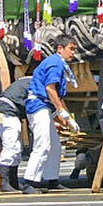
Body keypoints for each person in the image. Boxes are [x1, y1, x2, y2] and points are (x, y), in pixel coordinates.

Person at [23, 34, 80, 192]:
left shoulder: (57, 63)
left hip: (44, 106)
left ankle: (51, 179)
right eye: (71, 49)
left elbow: (57, 96)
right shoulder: (55, 63)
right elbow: (50, 88)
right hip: (38, 105)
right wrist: (62, 112)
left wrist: (68, 119)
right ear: (59, 49)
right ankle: (29, 181)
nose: (73, 52)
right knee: (43, 143)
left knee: (54, 145)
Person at [0, 76, 30, 192]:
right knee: (10, 145)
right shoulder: (34, 83)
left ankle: (13, 181)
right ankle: (4, 183)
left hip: (8, 111)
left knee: (16, 147)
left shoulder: (25, 81)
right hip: (6, 112)